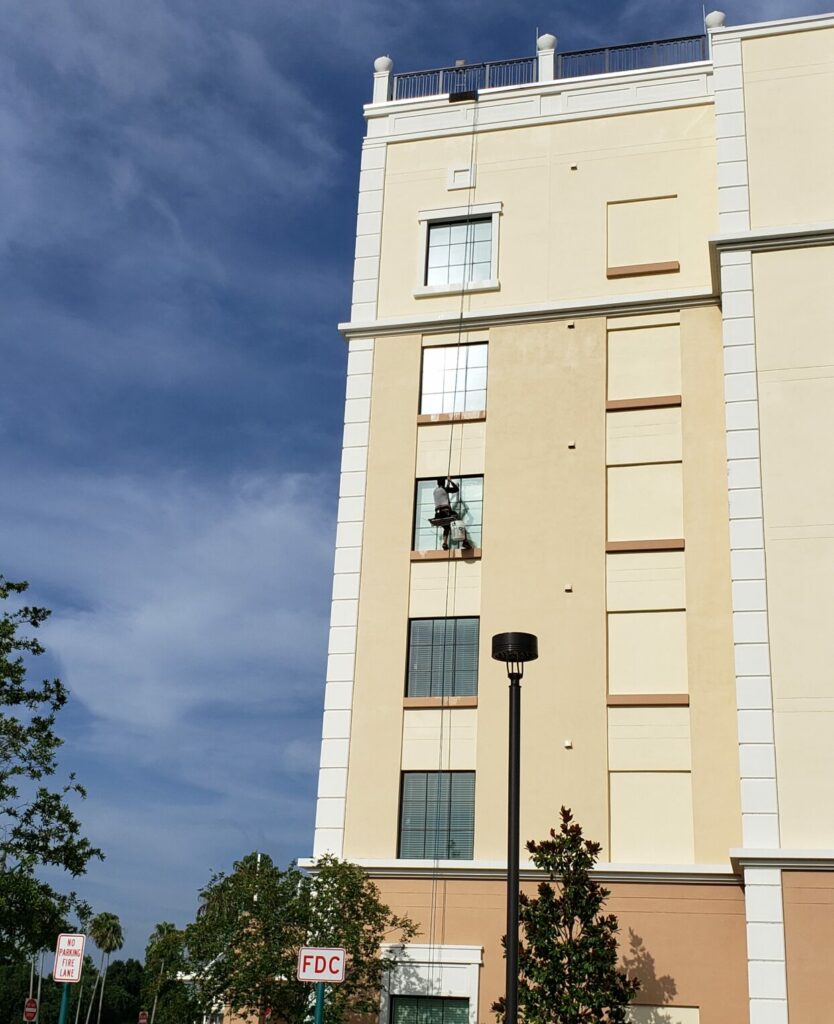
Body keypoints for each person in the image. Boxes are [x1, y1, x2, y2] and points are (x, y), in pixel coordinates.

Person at [432, 477, 471, 550]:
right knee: (459, 522)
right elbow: (456, 489)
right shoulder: (444, 489)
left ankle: (445, 543)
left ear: (438, 483)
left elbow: (444, 494)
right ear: (444, 483)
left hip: (438, 515)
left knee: (446, 528)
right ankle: (465, 541)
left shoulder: (435, 491)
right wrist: (450, 481)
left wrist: (448, 483)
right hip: (446, 512)